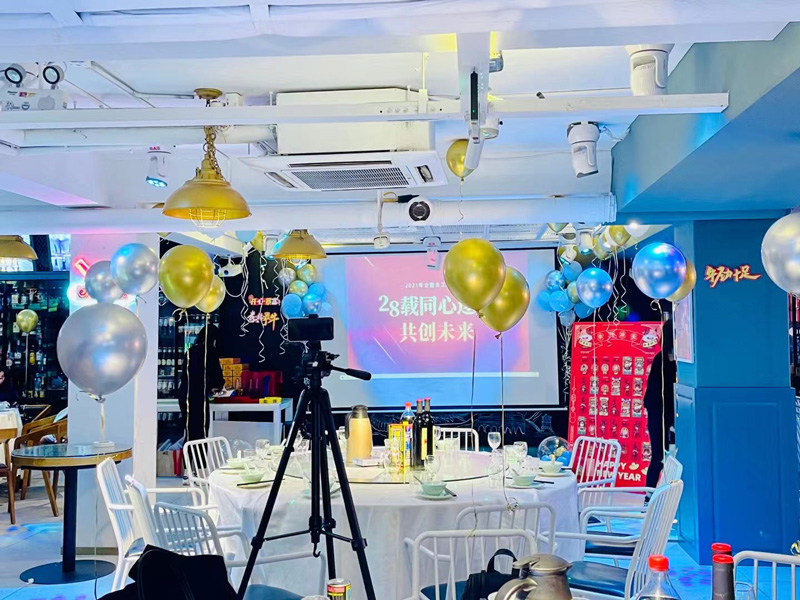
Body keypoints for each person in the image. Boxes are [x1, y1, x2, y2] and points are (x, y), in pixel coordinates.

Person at [177, 325, 225, 443]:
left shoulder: (190, 351)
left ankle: (187, 454)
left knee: (189, 433)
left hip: (185, 396)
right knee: (201, 434)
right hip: (198, 398)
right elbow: (217, 380)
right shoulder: (210, 352)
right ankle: (200, 455)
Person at [643, 321, 677, 488]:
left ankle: (664, 492)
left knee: (666, 457)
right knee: (658, 457)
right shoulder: (662, 360)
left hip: (667, 412)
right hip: (660, 413)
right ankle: (650, 496)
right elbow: (655, 395)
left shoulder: (671, 360)